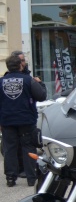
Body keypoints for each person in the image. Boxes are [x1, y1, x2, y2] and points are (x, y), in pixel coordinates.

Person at [1, 54, 47, 187]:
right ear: (21, 65)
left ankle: (10, 178)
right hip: (26, 119)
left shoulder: (1, 81)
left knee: (10, 148)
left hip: (7, 120)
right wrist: (40, 84)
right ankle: (31, 178)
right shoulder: (28, 80)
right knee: (28, 147)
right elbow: (41, 96)